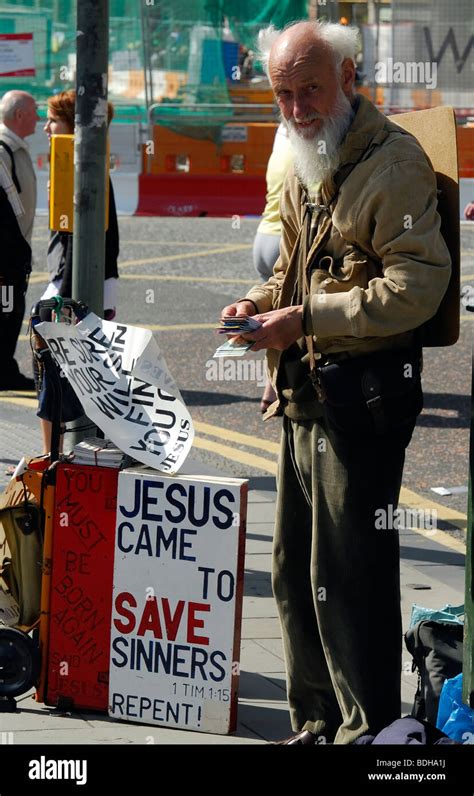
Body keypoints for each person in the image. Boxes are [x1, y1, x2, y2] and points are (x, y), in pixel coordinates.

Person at [221, 21, 451, 744]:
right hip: (302, 392)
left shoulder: (394, 164)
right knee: (295, 572)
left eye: (309, 89)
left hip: (363, 398)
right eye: (283, 94)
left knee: (348, 574)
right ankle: (317, 721)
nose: (295, 108)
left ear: (350, 76)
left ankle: (365, 730)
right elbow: (291, 267)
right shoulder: (300, 158)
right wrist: (255, 308)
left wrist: (305, 319)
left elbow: (417, 289)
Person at [34, 89, 119, 454]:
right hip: (82, 284)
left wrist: (60, 304)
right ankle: (68, 451)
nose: (46, 128)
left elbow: (76, 244)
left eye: (53, 120)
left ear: (74, 125)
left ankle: (54, 454)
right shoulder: (82, 164)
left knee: (54, 374)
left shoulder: (77, 167)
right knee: (77, 374)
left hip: (72, 287)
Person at [0, 90, 39, 390]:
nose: (38, 117)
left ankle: (5, 367)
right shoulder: (3, 149)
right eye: (34, 111)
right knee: (7, 310)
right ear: (20, 115)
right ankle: (4, 370)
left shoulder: (16, 147)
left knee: (11, 311)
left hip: (15, 252)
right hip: (6, 256)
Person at [253, 122, 293, 412]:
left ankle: (269, 390)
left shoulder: (282, 135)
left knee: (272, 313)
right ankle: (280, 390)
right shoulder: (319, 138)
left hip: (265, 236)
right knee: (293, 319)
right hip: (288, 240)